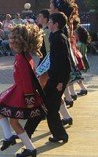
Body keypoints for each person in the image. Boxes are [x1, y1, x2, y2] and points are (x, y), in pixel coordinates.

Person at [0, 24, 45, 157]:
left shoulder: (22, 58)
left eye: (12, 39)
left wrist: (30, 100)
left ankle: (28, 148)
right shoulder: (24, 56)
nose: (10, 41)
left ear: (19, 42)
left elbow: (27, 81)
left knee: (12, 121)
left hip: (22, 94)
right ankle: (11, 138)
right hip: (19, 91)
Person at [25, 12, 71, 144]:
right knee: (50, 109)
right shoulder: (55, 36)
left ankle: (27, 133)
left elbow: (64, 62)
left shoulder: (59, 38)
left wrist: (61, 82)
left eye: (50, 22)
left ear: (56, 24)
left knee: (44, 106)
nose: (48, 23)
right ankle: (60, 134)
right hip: (54, 78)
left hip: (57, 80)